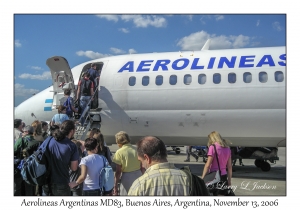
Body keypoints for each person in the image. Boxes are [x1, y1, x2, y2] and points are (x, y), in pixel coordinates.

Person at [42, 120, 79, 196]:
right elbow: (74, 168)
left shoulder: (48, 140)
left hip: (46, 181)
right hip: (61, 182)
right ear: (71, 131)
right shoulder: (72, 146)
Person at [201, 131, 232, 196]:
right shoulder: (227, 148)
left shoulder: (213, 147)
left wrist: (202, 178)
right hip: (223, 176)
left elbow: (207, 165)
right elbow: (229, 167)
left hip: (214, 177)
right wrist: (229, 181)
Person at [112, 131, 143, 196]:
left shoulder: (119, 152)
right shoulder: (137, 149)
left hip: (127, 177)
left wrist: (115, 185)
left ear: (119, 142)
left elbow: (118, 171)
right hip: (139, 174)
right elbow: (142, 166)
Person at [14, 125, 40, 196]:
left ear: (27, 132)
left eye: (24, 131)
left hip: (20, 167)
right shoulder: (37, 142)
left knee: (18, 187)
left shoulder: (21, 140)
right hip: (32, 168)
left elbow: (14, 150)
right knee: (30, 186)